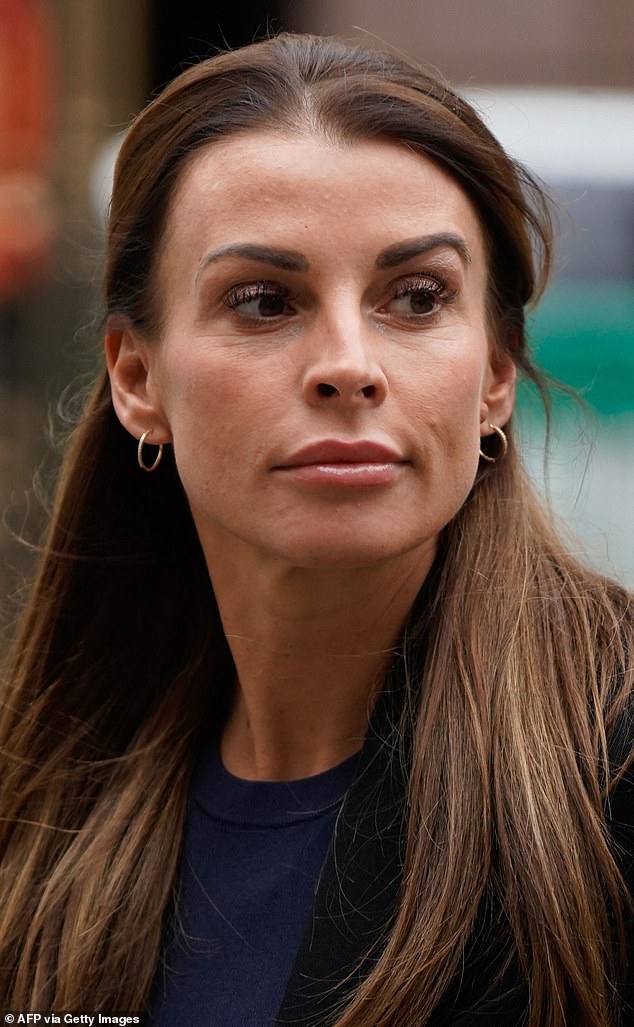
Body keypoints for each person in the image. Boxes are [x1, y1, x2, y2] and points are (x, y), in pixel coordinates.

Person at [1, 32, 632, 1027]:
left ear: (496, 373)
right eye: (263, 300)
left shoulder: (611, 773)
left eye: (416, 298)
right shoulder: (46, 807)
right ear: (136, 377)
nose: (348, 362)